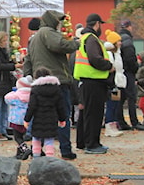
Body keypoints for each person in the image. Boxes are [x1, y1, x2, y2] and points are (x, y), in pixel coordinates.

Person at [26, 10, 80, 160]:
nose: (60, 24)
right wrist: (76, 43)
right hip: (57, 81)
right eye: (58, 21)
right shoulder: (48, 32)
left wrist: (28, 77)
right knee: (62, 116)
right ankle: (66, 150)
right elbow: (59, 45)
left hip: (39, 81)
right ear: (53, 21)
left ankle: (38, 149)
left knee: (40, 116)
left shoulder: (35, 37)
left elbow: (28, 59)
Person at [73, 13, 114, 154]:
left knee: (86, 113)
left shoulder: (84, 38)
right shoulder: (92, 39)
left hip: (86, 81)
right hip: (94, 81)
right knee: (94, 114)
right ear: (97, 24)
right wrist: (109, 66)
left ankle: (83, 142)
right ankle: (92, 144)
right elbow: (95, 59)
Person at [25, 67, 68, 157]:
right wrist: (62, 119)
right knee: (49, 140)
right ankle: (49, 158)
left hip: (38, 118)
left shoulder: (35, 89)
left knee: (36, 139)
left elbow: (31, 106)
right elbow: (60, 106)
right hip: (52, 118)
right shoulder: (56, 89)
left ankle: (36, 158)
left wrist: (27, 119)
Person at [0, 31, 20, 140]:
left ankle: (3, 129)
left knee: (4, 107)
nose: (6, 42)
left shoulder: (0, 51)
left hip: (4, 81)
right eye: (4, 40)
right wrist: (13, 66)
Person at [117, 20, 143, 129]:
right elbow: (130, 59)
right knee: (131, 97)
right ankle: (134, 122)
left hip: (120, 72)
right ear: (129, 27)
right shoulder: (128, 41)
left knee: (121, 98)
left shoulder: (119, 38)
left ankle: (120, 121)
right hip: (128, 72)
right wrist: (136, 67)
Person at [103, 31, 127, 138]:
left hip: (119, 82)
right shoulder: (110, 53)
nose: (120, 43)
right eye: (118, 41)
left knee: (116, 104)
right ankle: (109, 126)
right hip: (114, 83)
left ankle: (113, 125)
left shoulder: (118, 53)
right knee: (111, 105)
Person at [6, 75, 34, 159]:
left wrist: (12, 92)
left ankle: (25, 149)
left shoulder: (16, 95)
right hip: (27, 119)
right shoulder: (32, 95)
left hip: (16, 119)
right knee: (22, 135)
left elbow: (7, 98)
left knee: (18, 137)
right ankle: (20, 153)